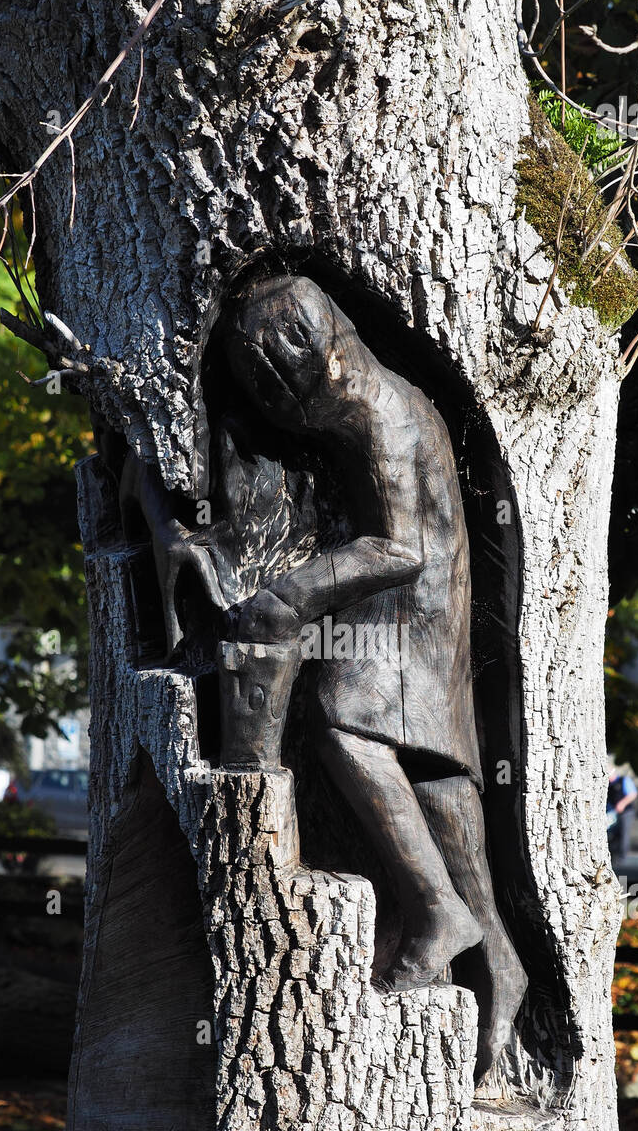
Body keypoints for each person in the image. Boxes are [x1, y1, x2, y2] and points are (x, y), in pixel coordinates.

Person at [220, 274, 527, 1082]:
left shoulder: (377, 410)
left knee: (339, 716)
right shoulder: (380, 400)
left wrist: (292, 590)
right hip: (419, 614)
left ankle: (434, 911)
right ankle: (495, 957)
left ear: (317, 354)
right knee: (438, 788)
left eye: (278, 379)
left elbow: (400, 547)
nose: (278, 401)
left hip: (408, 617)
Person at [606, 759, 638, 865]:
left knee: (624, 833)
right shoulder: (608, 785)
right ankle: (613, 856)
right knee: (612, 834)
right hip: (612, 813)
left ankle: (622, 857)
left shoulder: (624, 780)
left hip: (626, 813)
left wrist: (622, 803)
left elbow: (632, 794)